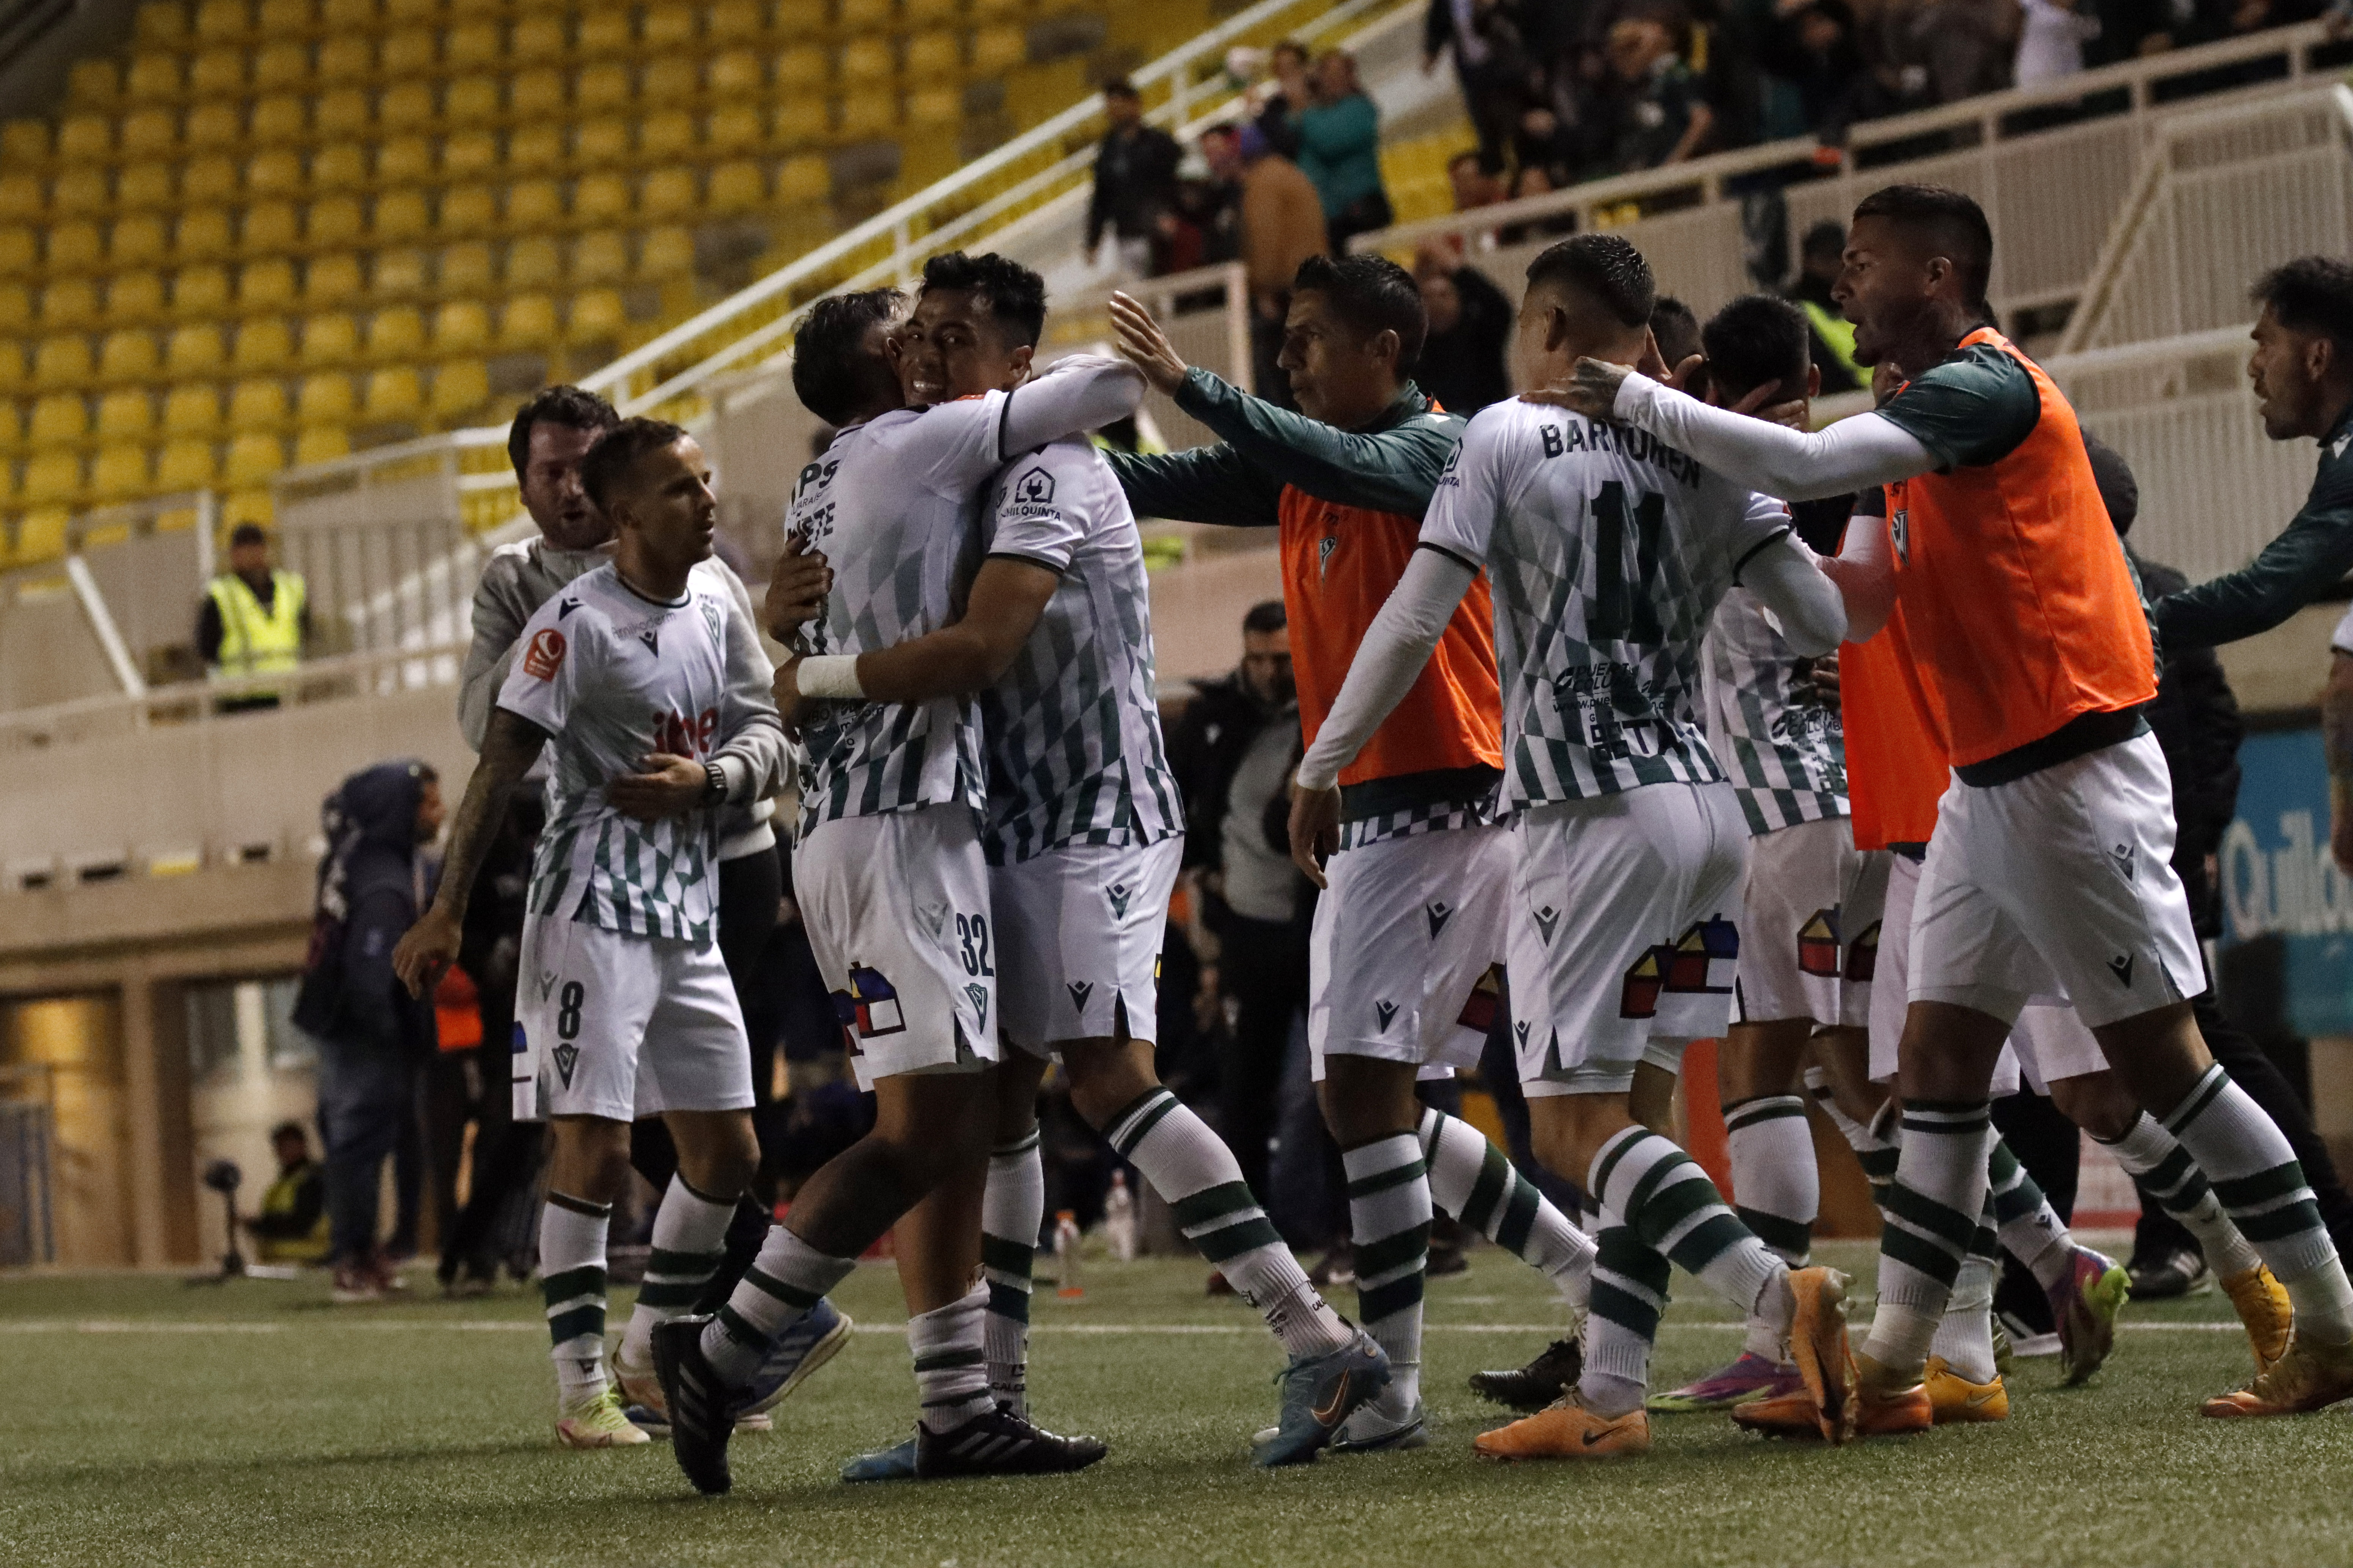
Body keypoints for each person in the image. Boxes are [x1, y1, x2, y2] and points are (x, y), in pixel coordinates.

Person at [1557, 182, 2353, 1423]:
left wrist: (1641, 401)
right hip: (1983, 791)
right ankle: (1903, 1364)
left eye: (1862, 264)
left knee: (2164, 1068)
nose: (1841, 289)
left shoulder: (1986, 389)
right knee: (1930, 1065)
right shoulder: (1915, 427)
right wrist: (1741, 524)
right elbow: (1861, 603)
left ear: (1936, 277)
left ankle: (2326, 1316)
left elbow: (1810, 459)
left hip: (2071, 773)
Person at [772, 251, 1386, 1478]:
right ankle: (974, 1407)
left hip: (1098, 815)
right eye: (921, 339)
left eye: (955, 339)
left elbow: (984, 644)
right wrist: (783, 597)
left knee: (1107, 1076)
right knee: (993, 1097)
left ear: (1017, 364)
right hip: (1006, 821)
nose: (931, 358)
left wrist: (811, 673)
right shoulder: (948, 468)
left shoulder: (1047, 463)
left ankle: (1316, 1334)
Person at [1286, 234, 1856, 1460]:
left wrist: (1320, 760)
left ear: (1545, 324)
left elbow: (1415, 620)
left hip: (1586, 820)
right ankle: (1610, 1394)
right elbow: (1822, 617)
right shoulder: (1704, 447)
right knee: (1643, 1114)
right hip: (1711, 819)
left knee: (1571, 1130)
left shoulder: (1501, 434)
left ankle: (1778, 1293)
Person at [648, 288, 1150, 1496]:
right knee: (924, 1128)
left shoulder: (834, 470)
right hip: (896, 826)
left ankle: (958, 1407)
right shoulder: (918, 441)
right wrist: (1097, 353)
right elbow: (1116, 389)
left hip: (873, 822)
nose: (925, 340)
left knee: (965, 1114)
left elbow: (807, 605)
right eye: (906, 330)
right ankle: (719, 1352)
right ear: (881, 364)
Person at [1106, 253, 1602, 1453]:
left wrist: (1189, 379)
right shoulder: (1299, 465)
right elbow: (1154, 480)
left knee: (1363, 1095)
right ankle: (1586, 1287)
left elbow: (1332, 459)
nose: (1289, 358)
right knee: (1377, 1099)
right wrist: (1012, 455)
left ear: (1387, 348)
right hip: (1388, 810)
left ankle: (1400, 1382)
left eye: (1309, 337)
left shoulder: (1445, 448)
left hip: (1444, 803)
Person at [393, 419, 789, 1450]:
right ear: (622, 518)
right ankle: (580, 1394)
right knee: (596, 1145)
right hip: (588, 908)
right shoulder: (572, 628)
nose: (707, 501)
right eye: (679, 489)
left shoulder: (718, 597)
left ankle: (652, 1351)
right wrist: (445, 903)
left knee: (727, 1150)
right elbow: (497, 766)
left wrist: (711, 779)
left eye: (706, 480)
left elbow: (768, 729)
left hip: (688, 907)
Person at [1628, 292, 1889, 1415]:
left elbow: (1849, 618)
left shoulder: (1719, 489)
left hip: (1782, 817)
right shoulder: (1821, 482)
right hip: (1824, 808)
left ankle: (1983, 1283)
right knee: (1818, 1069)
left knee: (1805, 1069)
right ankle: (1789, 1328)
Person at [1165, 600, 1309, 1233]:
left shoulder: (1327, 709)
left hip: (1316, 920)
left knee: (1326, 1088)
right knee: (1243, 1086)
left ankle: (1335, 1228)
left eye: (1282, 658)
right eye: (1258, 658)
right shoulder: (1214, 716)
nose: (1270, 671)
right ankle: (1248, 1234)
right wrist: (1206, 900)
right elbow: (1183, 812)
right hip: (1246, 928)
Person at [291, 759, 443, 1304]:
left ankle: (364, 1251)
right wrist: (392, 1036)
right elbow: (370, 971)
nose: (439, 812)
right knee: (357, 1141)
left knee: (365, 1139)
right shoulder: (383, 879)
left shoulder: (356, 852)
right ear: (399, 810)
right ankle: (352, 1259)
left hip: (340, 1019)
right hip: (361, 1030)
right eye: (427, 802)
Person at [1219, 123, 1328, 406]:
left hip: (1285, 293)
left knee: (1289, 382)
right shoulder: (1290, 172)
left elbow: (1265, 240)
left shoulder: (1262, 183)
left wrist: (1262, 288)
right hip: (1312, 285)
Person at [198, 522, 309, 710]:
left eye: (255, 549)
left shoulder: (290, 587)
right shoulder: (223, 594)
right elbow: (207, 645)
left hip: (288, 690)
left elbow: (306, 629)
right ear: (234, 555)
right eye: (244, 550)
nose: (251, 556)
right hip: (240, 696)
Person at [1295, 50, 1392, 255]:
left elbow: (1329, 142)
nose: (1331, 80)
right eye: (1327, 74)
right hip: (1332, 214)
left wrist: (1303, 113)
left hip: (1362, 206)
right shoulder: (1316, 114)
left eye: (1337, 74)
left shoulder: (1360, 108)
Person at [1084, 79, 1183, 278]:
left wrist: (1172, 212)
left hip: (1161, 232)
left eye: (1120, 107)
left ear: (1135, 104)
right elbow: (1102, 198)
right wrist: (1094, 240)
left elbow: (1178, 181)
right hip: (1127, 236)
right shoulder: (1108, 152)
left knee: (1167, 290)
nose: (1115, 114)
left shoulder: (1159, 143)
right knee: (1139, 299)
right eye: (1111, 109)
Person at [1596, 16, 1713, 174]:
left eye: (1628, 52)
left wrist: (1672, 164)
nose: (1620, 63)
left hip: (1683, 175)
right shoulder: (1649, 83)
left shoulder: (1674, 74)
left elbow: (1701, 119)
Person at [1413, 248, 1514, 414]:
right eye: (1429, 298)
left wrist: (1458, 268)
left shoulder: (1482, 336)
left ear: (1459, 299)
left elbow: (1499, 306)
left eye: (1444, 295)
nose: (1438, 304)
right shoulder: (1417, 351)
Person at [1785, 220, 1864, 394]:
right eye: (1827, 259)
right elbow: (1824, 373)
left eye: (1842, 258)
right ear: (1809, 262)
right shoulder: (1796, 312)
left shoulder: (1859, 300)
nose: (1837, 266)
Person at [243, 1121, 329, 1265]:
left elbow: (301, 1223)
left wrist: (260, 1226)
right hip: (278, 1263)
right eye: (279, 1146)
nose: (283, 1151)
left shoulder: (313, 1180)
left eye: (288, 1145)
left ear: (301, 1145)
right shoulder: (281, 1185)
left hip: (307, 1263)